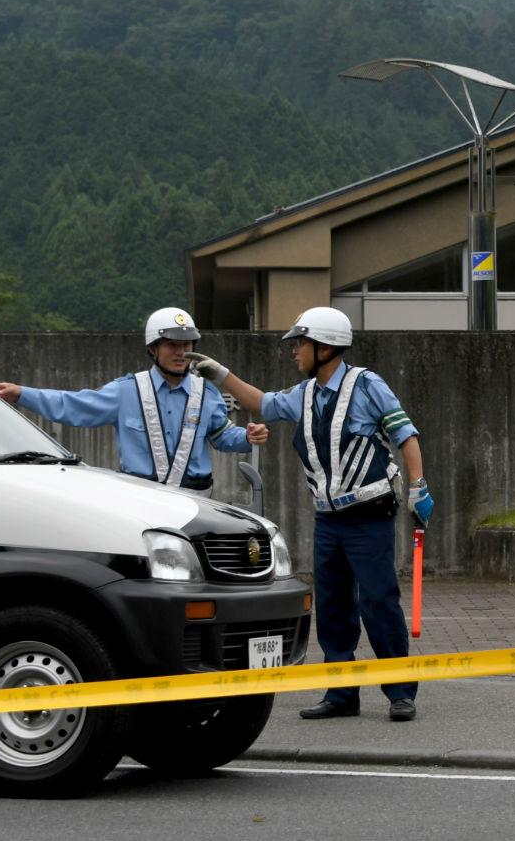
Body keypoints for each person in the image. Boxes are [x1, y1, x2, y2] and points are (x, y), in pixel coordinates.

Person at [185, 306, 435, 723]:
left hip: (370, 514)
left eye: (299, 343)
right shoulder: (302, 395)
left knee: (378, 603)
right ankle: (341, 693)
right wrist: (220, 373)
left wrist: (418, 487)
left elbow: (405, 434)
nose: (294, 351)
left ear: (325, 347)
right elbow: (261, 404)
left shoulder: (367, 384)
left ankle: (400, 692)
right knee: (334, 607)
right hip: (328, 520)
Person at [0, 307, 266, 487]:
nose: (181, 352)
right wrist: (22, 394)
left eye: (187, 344)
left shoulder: (206, 392)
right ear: (152, 349)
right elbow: (73, 406)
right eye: (172, 344)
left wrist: (247, 437)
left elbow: (222, 436)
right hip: (142, 499)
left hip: (198, 502)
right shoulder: (126, 391)